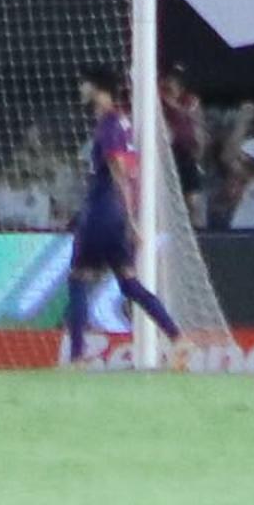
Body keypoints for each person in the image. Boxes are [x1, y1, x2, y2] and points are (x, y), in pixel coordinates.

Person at [64, 77, 176, 358]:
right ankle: (178, 338)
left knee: (78, 279)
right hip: (114, 216)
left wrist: (132, 219)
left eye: (86, 84)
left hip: (102, 213)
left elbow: (118, 171)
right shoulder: (122, 123)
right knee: (129, 284)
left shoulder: (110, 125)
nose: (82, 90)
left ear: (102, 92)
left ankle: (77, 356)